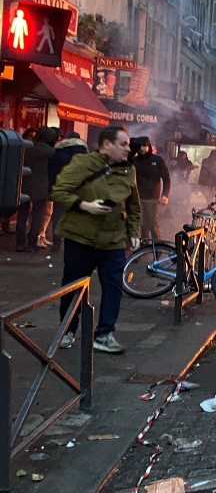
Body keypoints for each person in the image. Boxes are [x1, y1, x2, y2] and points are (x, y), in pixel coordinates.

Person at [50, 125, 141, 354]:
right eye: (123, 144)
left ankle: (104, 334)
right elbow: (59, 191)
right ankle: (67, 329)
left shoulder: (129, 170)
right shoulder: (83, 163)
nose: (128, 148)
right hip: (81, 238)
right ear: (107, 144)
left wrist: (133, 232)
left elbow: (133, 205)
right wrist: (85, 205)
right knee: (74, 287)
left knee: (113, 287)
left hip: (113, 240)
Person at [15, 126, 55, 251]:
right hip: (41, 186)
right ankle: (31, 243)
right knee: (37, 216)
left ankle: (20, 243)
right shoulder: (50, 151)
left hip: (24, 184)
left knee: (22, 215)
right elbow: (52, 170)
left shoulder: (25, 147)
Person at [48, 131, 87, 251]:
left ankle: (56, 242)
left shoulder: (58, 153)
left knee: (58, 215)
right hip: (79, 189)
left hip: (61, 188)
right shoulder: (84, 154)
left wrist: (51, 189)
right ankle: (73, 243)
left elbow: (52, 172)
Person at [130, 136, 172, 241]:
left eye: (144, 146)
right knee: (139, 224)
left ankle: (157, 246)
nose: (142, 148)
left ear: (148, 146)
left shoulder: (157, 160)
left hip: (153, 198)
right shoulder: (134, 161)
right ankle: (142, 245)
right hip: (137, 198)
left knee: (152, 224)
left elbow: (166, 178)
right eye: (140, 146)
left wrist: (165, 194)